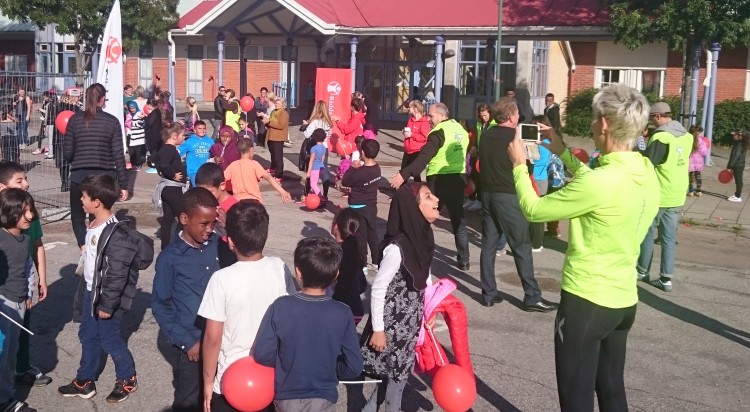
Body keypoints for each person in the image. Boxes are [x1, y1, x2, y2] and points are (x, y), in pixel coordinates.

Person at [507, 83, 659, 412]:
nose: (591, 125)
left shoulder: (600, 182)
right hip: (623, 301)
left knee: (576, 400)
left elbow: (534, 209)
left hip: (587, 302)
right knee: (612, 391)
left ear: (604, 123)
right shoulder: (647, 172)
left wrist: (519, 165)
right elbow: (595, 185)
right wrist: (562, 152)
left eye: (593, 119)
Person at [57, 174, 154, 404]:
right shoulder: (94, 224)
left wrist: (107, 305)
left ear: (97, 202)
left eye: (84, 196)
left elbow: (116, 275)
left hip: (105, 297)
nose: (81, 200)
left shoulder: (113, 234)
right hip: (92, 291)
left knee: (110, 339)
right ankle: (85, 380)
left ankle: (127, 377)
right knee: (88, 335)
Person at [199, 200, 297, 411]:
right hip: (271, 379)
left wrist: (207, 383)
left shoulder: (221, 279)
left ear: (231, 242)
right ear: (266, 236)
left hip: (230, 382)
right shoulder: (279, 268)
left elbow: (212, 339)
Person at [254, 237, 364, 412]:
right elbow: (354, 366)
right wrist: (332, 367)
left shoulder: (281, 306)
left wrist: (287, 362)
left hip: (287, 397)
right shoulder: (342, 312)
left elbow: (262, 353)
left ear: (298, 272)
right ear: (336, 274)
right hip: (324, 396)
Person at [361, 182, 439, 412]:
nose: (436, 200)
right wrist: (377, 329)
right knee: (397, 383)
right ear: (412, 209)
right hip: (392, 328)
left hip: (409, 325)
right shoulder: (398, 247)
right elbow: (378, 288)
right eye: (428, 197)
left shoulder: (422, 239)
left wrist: (429, 312)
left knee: (390, 381)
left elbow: (426, 279)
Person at [477, 98, 557, 311]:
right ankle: (532, 296)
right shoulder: (516, 137)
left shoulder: (485, 135)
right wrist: (531, 148)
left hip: (488, 193)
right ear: (512, 116)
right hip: (509, 195)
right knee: (521, 245)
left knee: (489, 244)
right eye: (517, 114)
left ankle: (489, 293)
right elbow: (528, 167)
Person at [152, 187, 221, 412]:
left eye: (213, 222)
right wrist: (186, 341)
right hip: (192, 346)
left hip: (219, 341)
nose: (210, 229)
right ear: (184, 219)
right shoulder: (170, 259)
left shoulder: (218, 246)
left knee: (217, 397)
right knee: (189, 400)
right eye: (204, 223)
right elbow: (161, 305)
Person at [390, 103, 470, 271]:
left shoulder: (438, 133)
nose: (429, 119)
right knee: (458, 220)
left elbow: (424, 157)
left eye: (431, 116)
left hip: (440, 179)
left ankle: (417, 253)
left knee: (423, 218)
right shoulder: (460, 129)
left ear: (441, 116)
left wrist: (405, 173)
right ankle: (464, 259)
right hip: (458, 178)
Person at [63, 83, 129, 263]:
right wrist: (123, 184)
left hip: (79, 175)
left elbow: (67, 152)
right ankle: (97, 248)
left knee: (77, 215)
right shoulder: (112, 121)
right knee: (98, 214)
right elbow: (118, 155)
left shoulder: (75, 120)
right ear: (102, 99)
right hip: (103, 177)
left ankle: (84, 247)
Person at [0, 162, 52, 388]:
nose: (26, 184)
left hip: (23, 285)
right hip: (5, 293)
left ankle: (20, 369)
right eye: (19, 181)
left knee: (19, 333)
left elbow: (37, 246)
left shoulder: (27, 213)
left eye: (25, 179)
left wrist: (41, 279)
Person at [637, 101, 693, 292]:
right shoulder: (686, 135)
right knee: (668, 238)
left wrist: (637, 148)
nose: (651, 124)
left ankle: (642, 270)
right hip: (677, 193)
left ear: (658, 116)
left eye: (652, 119)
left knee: (647, 233)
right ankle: (666, 279)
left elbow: (648, 163)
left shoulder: (661, 136)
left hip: (659, 193)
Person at [0, 189, 40, 412]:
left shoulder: (25, 240)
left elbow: (27, 268)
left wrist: (28, 293)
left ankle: (5, 395)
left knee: (10, 353)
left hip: (18, 303)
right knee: (2, 354)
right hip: (3, 305)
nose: (30, 216)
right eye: (24, 212)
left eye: (31, 211)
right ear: (9, 212)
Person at [342, 139, 382, 265]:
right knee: (372, 234)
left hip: (358, 207)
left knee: (361, 237)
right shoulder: (377, 168)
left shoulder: (359, 172)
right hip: (371, 206)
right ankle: (377, 262)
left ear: (362, 153)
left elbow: (345, 181)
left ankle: (362, 263)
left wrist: (352, 168)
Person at [195, 162, 239, 268]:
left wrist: (226, 224)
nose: (205, 196)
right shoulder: (203, 204)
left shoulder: (235, 208)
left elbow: (241, 239)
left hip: (228, 259)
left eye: (210, 192)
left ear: (222, 186)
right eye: (201, 192)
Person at [330, 209, 369, 324]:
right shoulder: (357, 251)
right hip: (356, 309)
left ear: (336, 226)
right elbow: (363, 284)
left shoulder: (333, 253)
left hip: (338, 308)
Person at [153, 122, 188, 250]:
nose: (184, 138)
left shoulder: (165, 149)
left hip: (170, 189)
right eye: (182, 135)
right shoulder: (169, 149)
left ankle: (166, 246)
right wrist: (172, 175)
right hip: (172, 189)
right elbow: (163, 164)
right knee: (184, 216)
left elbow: (156, 161)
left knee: (168, 219)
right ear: (174, 136)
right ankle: (180, 244)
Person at [224, 139, 291, 202]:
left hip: (238, 202)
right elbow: (269, 178)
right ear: (251, 149)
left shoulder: (233, 165)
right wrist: (282, 191)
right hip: (254, 201)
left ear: (238, 151)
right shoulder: (254, 164)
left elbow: (221, 179)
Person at [529, 115, 553, 252]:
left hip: (535, 179)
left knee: (535, 214)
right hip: (542, 178)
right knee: (538, 213)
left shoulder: (539, 144)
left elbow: (532, 159)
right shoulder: (549, 142)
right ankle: (537, 242)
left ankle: (536, 243)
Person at [466, 104, 495, 212]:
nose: (484, 118)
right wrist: (474, 146)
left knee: (484, 179)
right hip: (479, 153)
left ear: (490, 113)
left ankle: (481, 201)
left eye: (485, 115)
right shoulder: (480, 123)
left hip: (488, 155)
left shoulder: (494, 124)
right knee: (475, 176)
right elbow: (478, 137)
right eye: (481, 116)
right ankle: (474, 199)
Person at [259, 95, 289, 181]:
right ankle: (274, 169)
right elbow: (270, 121)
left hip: (278, 138)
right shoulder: (273, 112)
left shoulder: (284, 113)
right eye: (276, 103)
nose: (276, 105)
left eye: (278, 103)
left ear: (283, 105)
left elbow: (281, 125)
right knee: (273, 155)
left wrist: (269, 122)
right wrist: (266, 121)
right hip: (271, 136)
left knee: (278, 157)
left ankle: (279, 175)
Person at [401, 100, 431, 183]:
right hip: (407, 150)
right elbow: (409, 131)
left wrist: (412, 135)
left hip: (417, 151)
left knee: (416, 173)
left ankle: (417, 192)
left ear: (415, 109)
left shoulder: (424, 122)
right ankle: (402, 191)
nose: (408, 108)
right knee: (403, 172)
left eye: (410, 107)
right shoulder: (411, 120)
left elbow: (424, 137)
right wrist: (405, 132)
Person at [178, 120, 213, 186]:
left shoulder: (210, 141)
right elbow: (178, 153)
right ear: (194, 130)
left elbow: (215, 153)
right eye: (199, 128)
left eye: (204, 128)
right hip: (194, 171)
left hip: (207, 171)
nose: (202, 130)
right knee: (197, 189)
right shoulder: (189, 142)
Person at [306, 129, 332, 200]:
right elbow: (322, 159)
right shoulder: (324, 148)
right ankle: (317, 197)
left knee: (313, 184)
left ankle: (320, 196)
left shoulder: (314, 149)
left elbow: (311, 161)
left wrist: (308, 171)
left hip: (314, 168)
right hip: (321, 167)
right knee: (315, 183)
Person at [725, 130, 747, 203]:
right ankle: (736, 194)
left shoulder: (739, 145)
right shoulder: (740, 143)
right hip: (739, 164)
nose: (733, 135)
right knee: (738, 181)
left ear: (740, 136)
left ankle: (738, 196)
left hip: (738, 165)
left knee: (738, 181)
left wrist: (729, 166)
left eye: (735, 134)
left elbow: (735, 157)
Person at [124, 101, 147, 170]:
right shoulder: (129, 114)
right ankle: (133, 164)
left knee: (137, 152)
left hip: (138, 137)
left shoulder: (139, 114)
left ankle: (138, 164)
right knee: (132, 151)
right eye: (130, 108)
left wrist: (131, 124)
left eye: (133, 108)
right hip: (131, 136)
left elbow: (141, 124)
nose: (132, 109)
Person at [688, 125, 708, 197]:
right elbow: (704, 152)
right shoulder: (700, 140)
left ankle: (690, 191)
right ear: (698, 133)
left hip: (689, 161)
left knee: (690, 176)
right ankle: (698, 191)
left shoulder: (688, 139)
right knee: (698, 176)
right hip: (698, 161)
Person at [144, 98, 163, 169]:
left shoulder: (155, 112)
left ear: (149, 104)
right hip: (156, 134)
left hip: (154, 135)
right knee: (155, 149)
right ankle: (154, 162)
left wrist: (144, 118)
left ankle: (152, 162)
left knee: (154, 149)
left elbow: (150, 122)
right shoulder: (157, 111)